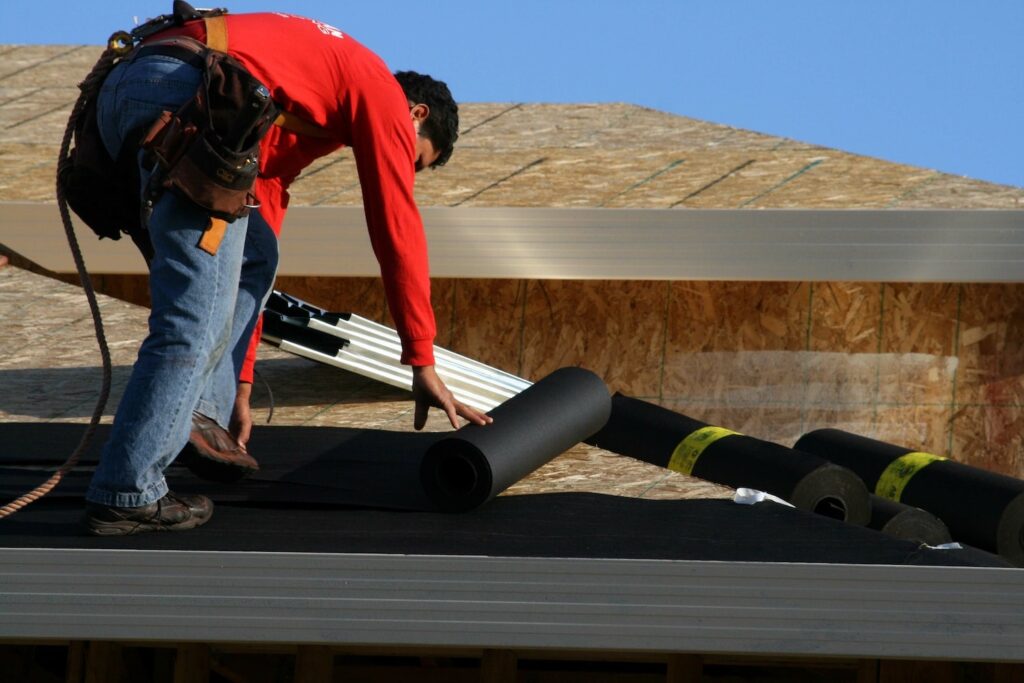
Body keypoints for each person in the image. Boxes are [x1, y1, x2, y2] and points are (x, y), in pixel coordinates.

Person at [83, 9, 491, 536]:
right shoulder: (380, 92)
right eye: (417, 159)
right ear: (415, 113)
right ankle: (126, 490)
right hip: (187, 92)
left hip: (130, 92)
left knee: (256, 254)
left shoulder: (310, 91)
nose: (404, 167)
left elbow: (260, 211)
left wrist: (243, 383)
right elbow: (396, 228)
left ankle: (204, 410)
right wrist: (420, 358)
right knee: (193, 318)